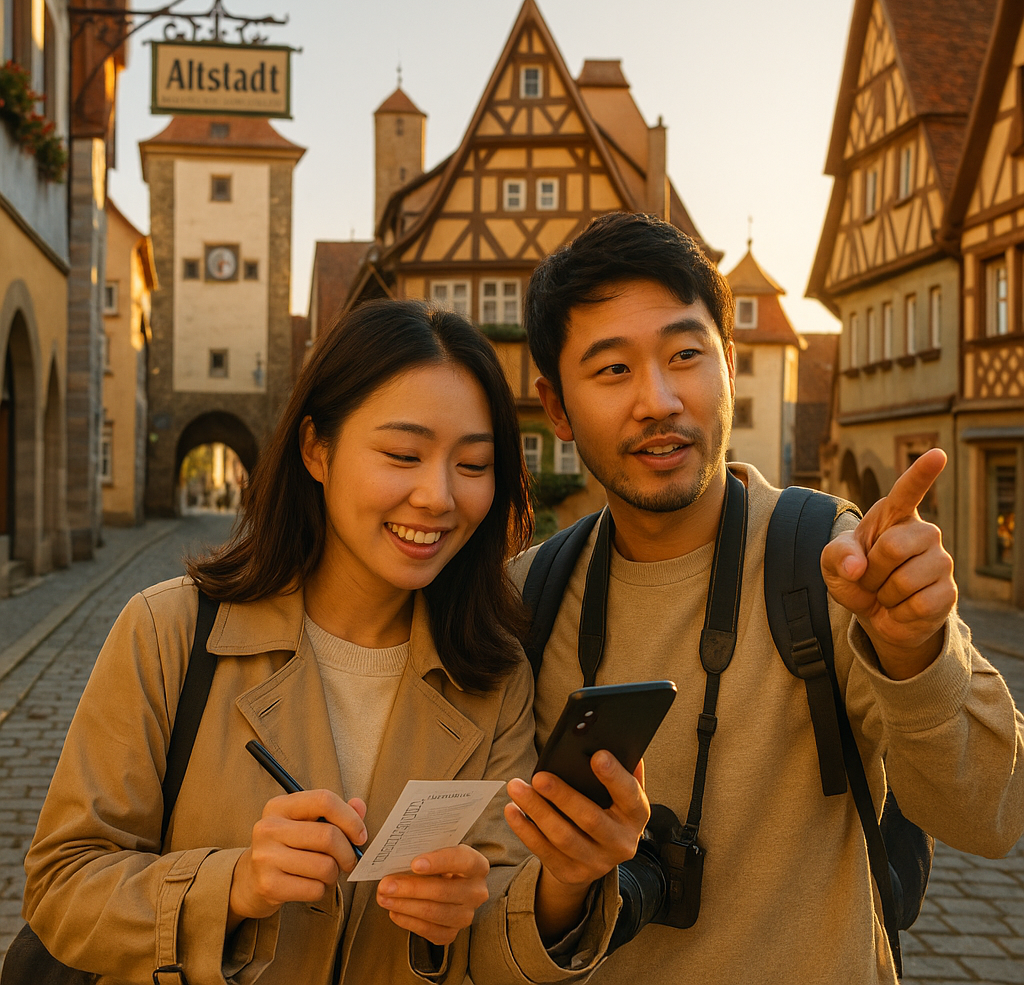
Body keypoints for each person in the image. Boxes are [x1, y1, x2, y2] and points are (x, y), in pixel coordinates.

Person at [21, 301, 648, 985]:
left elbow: (494, 942)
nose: (437, 496)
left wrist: (565, 883)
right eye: (402, 455)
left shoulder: (493, 676)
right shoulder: (169, 632)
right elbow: (61, 889)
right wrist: (235, 885)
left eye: (472, 464)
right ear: (317, 449)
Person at [506, 211, 1024, 984]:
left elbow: (989, 818)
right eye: (612, 370)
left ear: (730, 364)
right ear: (556, 409)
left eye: (686, 355)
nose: (658, 400)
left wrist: (917, 650)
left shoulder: (832, 559)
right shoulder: (525, 597)